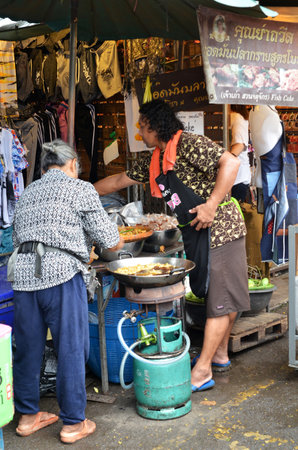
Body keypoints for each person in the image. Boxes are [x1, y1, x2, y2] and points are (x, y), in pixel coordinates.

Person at [94, 99, 250, 392]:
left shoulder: (189, 144)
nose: (139, 130)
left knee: (220, 300)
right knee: (217, 296)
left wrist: (211, 204)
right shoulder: (154, 159)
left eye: (142, 125)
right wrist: (83, 191)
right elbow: (117, 180)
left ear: (154, 126)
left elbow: (231, 162)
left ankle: (202, 370)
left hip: (221, 229)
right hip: (195, 232)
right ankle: (218, 355)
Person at [8, 139, 123, 444]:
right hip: (60, 275)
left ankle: (28, 417)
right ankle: (73, 422)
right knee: (71, 347)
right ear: (72, 164)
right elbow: (111, 240)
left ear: (45, 167)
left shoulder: (28, 192)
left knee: (29, 347)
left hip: (22, 276)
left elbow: (21, 236)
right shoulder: (80, 188)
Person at [229, 104, 251, 203]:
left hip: (237, 177)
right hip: (238, 176)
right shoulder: (238, 117)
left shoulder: (236, 117)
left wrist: (223, 163)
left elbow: (240, 145)